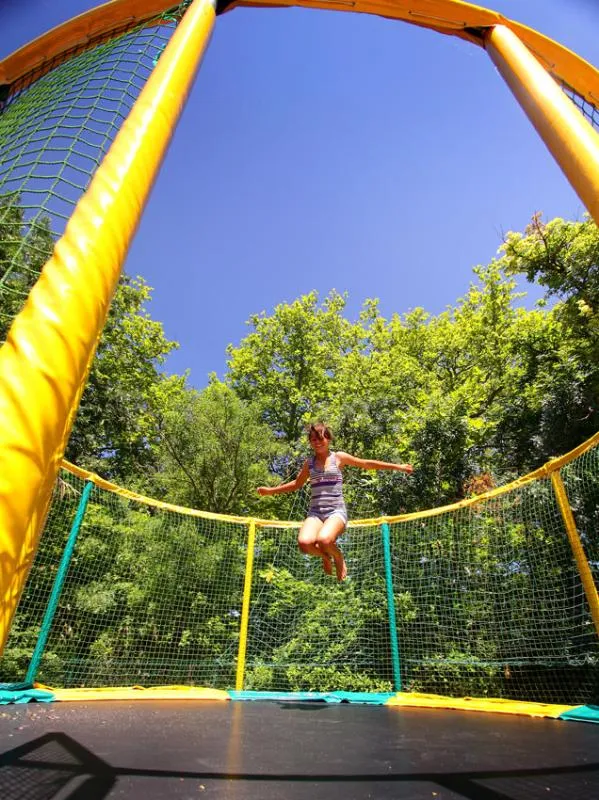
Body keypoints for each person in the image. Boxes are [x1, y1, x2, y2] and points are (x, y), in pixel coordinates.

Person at [257, 423, 413, 581]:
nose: (317, 442)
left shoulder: (338, 457)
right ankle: (326, 557)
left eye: (320, 438)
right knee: (304, 544)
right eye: (312, 439)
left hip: (335, 512)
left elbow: (366, 463)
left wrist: (397, 466)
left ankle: (338, 556)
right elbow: (297, 484)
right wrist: (270, 491)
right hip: (315, 513)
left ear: (328, 439)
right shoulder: (309, 463)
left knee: (324, 540)